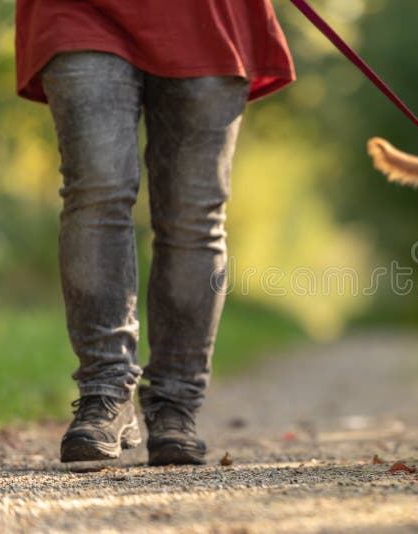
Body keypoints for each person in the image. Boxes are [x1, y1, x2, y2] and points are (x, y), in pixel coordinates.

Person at [15, 1, 295, 465]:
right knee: (96, 189)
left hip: (209, 17)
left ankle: (175, 405)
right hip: (78, 11)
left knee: (193, 214)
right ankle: (105, 393)